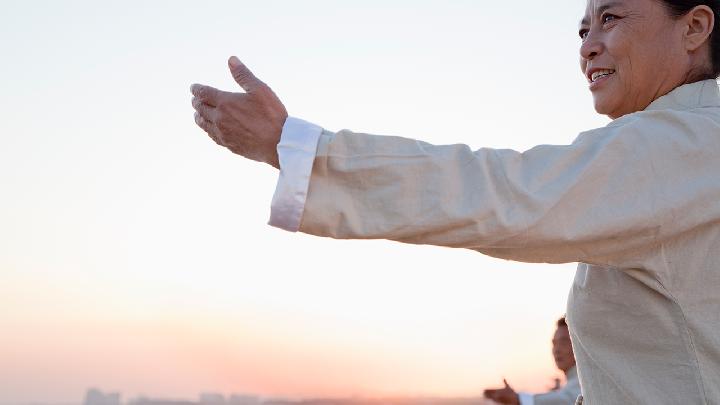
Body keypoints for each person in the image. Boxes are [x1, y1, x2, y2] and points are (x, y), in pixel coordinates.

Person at [190, 0, 720, 402]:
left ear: (693, 28)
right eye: (583, 29)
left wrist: (297, 147)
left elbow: (501, 192)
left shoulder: (685, 143)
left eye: (610, 18)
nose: (587, 44)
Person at [484, 317, 581, 405]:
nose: (556, 349)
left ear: (580, 344)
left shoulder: (585, 381)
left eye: (563, 342)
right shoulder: (572, 383)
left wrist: (518, 399)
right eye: (554, 343)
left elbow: (568, 399)